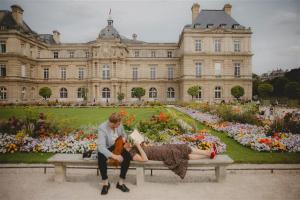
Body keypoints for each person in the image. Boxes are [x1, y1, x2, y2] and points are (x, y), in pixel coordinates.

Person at [125, 142, 217, 179]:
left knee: (180, 148)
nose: (127, 142)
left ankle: (209, 153)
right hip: (159, 154)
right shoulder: (131, 154)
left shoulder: (132, 147)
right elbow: (144, 159)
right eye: (125, 142)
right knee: (180, 151)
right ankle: (209, 152)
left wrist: (141, 143)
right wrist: (138, 146)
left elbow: (144, 148)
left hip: (159, 149)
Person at [97, 113, 131, 195]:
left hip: (118, 145)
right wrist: (115, 156)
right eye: (118, 124)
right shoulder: (102, 128)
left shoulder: (119, 124)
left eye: (120, 124)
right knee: (101, 156)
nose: (119, 125)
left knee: (127, 156)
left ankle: (120, 183)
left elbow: (124, 134)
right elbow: (101, 147)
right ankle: (105, 183)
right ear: (112, 123)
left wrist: (124, 138)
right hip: (107, 147)